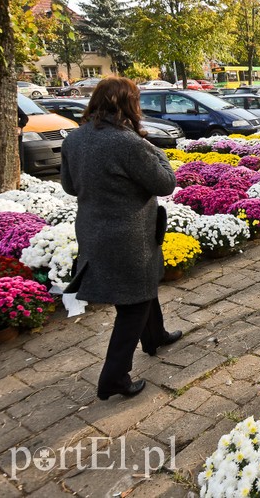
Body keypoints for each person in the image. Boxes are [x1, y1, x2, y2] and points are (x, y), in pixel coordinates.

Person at [60, 77, 180, 401]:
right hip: (129, 236)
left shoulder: (74, 139)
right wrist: (154, 149)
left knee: (142, 288)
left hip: (92, 230)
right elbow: (165, 182)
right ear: (129, 105)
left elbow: (71, 186)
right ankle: (114, 376)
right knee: (134, 303)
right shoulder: (128, 143)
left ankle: (155, 337)